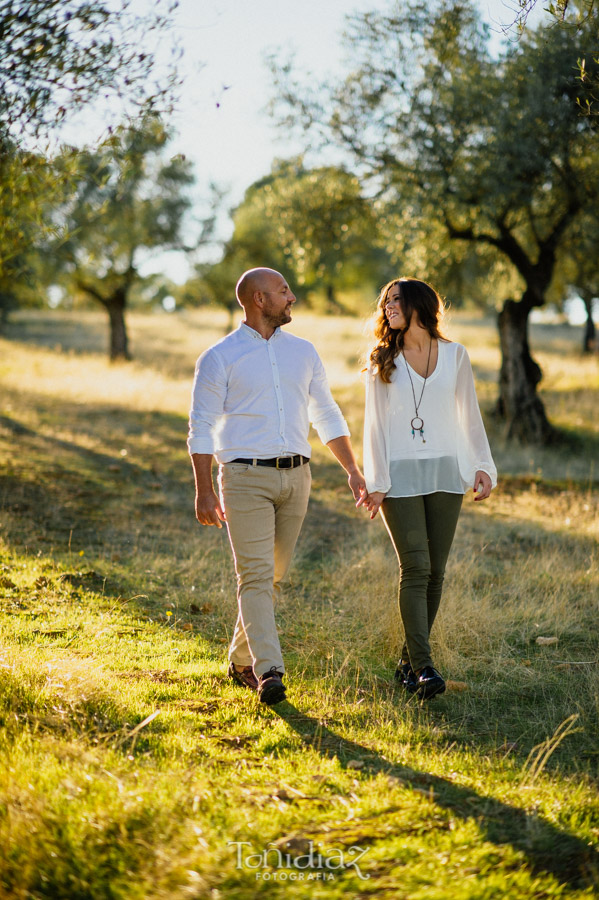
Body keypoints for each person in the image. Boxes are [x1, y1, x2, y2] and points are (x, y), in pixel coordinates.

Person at [188, 267, 367, 705]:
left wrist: (352, 469)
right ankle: (269, 671)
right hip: (244, 477)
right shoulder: (219, 357)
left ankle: (239, 658)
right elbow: (202, 427)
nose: (292, 297)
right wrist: (204, 489)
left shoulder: (303, 352)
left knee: (273, 578)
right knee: (254, 576)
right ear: (257, 300)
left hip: (297, 478)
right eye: (283, 291)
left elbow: (325, 412)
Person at [359, 277, 497, 700]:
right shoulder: (383, 358)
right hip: (399, 474)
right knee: (415, 567)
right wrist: (377, 481)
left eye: (396, 300)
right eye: (385, 302)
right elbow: (374, 425)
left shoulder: (455, 355)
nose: (388, 308)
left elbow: (468, 413)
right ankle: (425, 668)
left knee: (436, 571)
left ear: (420, 304)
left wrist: (483, 465)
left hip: (445, 471)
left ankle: (407, 664)